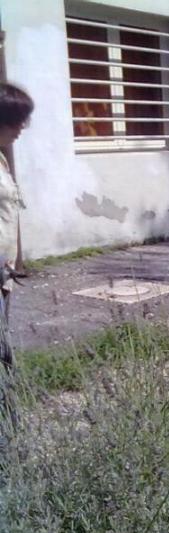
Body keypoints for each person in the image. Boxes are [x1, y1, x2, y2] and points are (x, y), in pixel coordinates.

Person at [0, 82, 33, 432]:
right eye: (17, 120)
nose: (22, 128)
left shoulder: (2, 157)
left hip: (4, 276)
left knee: (4, 355)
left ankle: (10, 434)